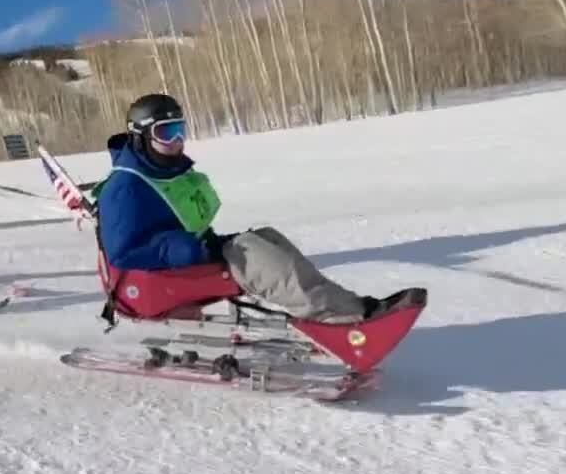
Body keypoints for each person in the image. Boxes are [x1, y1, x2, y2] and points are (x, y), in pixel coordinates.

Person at [94, 93, 380, 324]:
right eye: (166, 132)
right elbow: (120, 253)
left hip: (189, 256)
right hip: (151, 283)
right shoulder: (125, 188)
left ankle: (347, 306)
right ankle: (341, 319)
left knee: (267, 239)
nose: (177, 141)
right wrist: (175, 248)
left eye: (180, 130)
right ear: (140, 137)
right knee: (255, 259)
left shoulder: (163, 171)